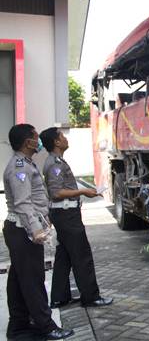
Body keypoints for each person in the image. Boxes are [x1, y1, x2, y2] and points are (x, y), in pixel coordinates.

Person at [2, 124, 74, 340]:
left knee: (19, 279)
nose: (39, 141)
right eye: (36, 137)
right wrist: (36, 231)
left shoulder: (26, 164)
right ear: (28, 142)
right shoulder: (20, 167)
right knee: (33, 281)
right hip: (22, 232)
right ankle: (46, 326)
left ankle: (19, 326)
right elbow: (23, 204)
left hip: (20, 230)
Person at [39, 127, 113, 309]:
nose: (65, 138)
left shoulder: (57, 161)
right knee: (82, 255)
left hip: (64, 215)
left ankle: (59, 297)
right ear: (56, 142)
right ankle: (91, 297)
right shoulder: (55, 164)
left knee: (64, 256)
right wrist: (82, 191)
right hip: (66, 216)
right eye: (62, 136)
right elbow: (56, 193)